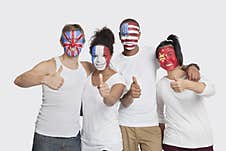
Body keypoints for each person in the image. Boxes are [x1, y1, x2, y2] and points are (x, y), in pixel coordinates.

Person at [112, 18, 201, 151]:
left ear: (139, 35)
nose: (128, 38)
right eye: (125, 34)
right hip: (125, 124)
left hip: (150, 124)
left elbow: (172, 64)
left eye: (133, 34)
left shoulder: (150, 53)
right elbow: (122, 101)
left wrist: (191, 67)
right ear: (119, 36)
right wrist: (130, 94)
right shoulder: (115, 62)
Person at [14, 24, 93, 151]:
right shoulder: (51, 65)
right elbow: (19, 80)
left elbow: (106, 72)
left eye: (77, 40)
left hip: (73, 137)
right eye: (68, 40)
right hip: (46, 137)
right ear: (61, 42)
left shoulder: (87, 68)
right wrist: (44, 79)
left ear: (83, 41)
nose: (73, 44)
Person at [156, 34, 215, 151]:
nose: (166, 59)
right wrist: (161, 140)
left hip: (202, 140)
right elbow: (159, 114)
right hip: (173, 142)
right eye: (162, 56)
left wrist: (187, 84)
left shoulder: (193, 75)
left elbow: (210, 90)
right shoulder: (161, 84)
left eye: (170, 54)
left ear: (178, 55)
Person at [81, 27, 126, 151]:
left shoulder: (118, 80)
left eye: (104, 55)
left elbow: (111, 101)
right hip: (86, 143)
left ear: (110, 55)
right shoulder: (88, 75)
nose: (99, 60)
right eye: (95, 55)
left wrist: (106, 95)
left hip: (108, 144)